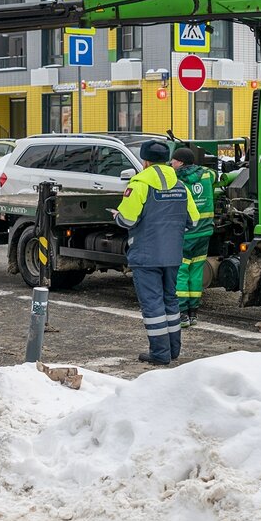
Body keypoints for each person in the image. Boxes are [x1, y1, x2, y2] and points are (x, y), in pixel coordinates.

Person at [112, 140, 199, 366]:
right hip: (172, 255)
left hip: (146, 255)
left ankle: (160, 354)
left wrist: (117, 216)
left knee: (153, 305)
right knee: (170, 301)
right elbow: (194, 220)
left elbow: (128, 218)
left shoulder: (139, 184)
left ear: (146, 162)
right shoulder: (180, 186)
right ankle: (173, 350)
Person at [171, 146, 215, 328]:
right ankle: (193, 312)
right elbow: (214, 174)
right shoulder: (207, 175)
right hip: (205, 231)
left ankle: (181, 314)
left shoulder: (176, 179)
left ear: (180, 162)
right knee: (197, 270)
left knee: (181, 270)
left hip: (186, 232)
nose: (171, 163)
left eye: (173, 160)